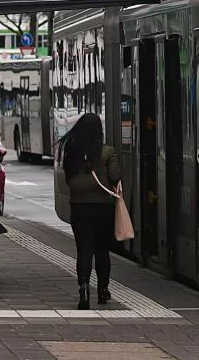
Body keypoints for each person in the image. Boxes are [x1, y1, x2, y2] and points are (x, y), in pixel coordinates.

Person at [61, 113, 121, 310]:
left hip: (79, 208)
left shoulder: (71, 152)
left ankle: (84, 287)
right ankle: (103, 290)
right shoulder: (107, 152)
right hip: (103, 208)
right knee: (102, 250)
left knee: (84, 251)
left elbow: (68, 180)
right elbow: (115, 176)